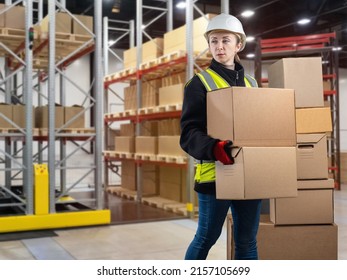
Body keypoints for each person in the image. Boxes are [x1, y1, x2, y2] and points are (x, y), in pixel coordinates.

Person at [180, 13, 262, 260]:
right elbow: (188, 133)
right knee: (206, 238)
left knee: (247, 241)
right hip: (213, 176)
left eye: (225, 40)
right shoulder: (199, 83)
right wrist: (215, 148)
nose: (219, 46)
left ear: (238, 45)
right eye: (213, 41)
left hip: (249, 174)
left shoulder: (252, 83)